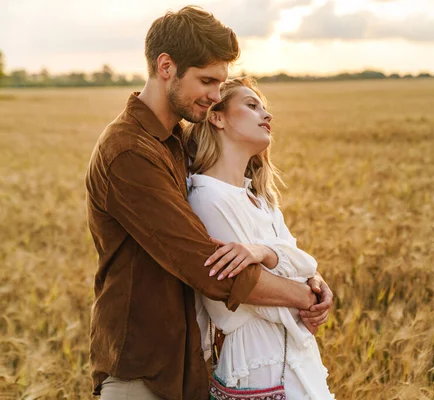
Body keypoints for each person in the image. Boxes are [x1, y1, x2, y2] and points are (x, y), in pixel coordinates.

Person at [85, 6, 333, 400]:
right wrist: (306, 296)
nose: (216, 96)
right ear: (166, 66)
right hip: (142, 369)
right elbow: (209, 266)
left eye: (220, 83)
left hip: (191, 363)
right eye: (206, 81)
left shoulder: (177, 143)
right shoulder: (128, 152)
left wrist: (302, 275)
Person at [183, 77, 335, 399]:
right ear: (218, 117)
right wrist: (307, 297)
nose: (267, 116)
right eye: (252, 106)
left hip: (298, 359)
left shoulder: (260, 198)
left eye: (264, 108)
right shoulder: (208, 198)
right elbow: (244, 298)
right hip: (255, 366)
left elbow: (304, 267)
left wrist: (270, 256)